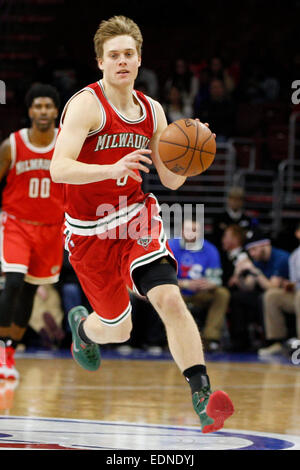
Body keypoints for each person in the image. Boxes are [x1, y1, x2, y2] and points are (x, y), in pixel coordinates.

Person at [50, 15, 234, 433]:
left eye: (128, 54)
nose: (122, 62)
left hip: (135, 218)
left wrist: (193, 150)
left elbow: (169, 180)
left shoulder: (152, 110)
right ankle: (83, 327)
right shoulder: (86, 104)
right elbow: (58, 169)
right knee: (118, 331)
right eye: (113, 55)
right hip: (88, 231)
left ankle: (202, 396)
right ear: (100, 62)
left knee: (169, 298)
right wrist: (110, 168)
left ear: (138, 58)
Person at [0, 83, 64, 379]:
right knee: (12, 282)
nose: (43, 111)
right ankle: (1, 347)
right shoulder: (12, 144)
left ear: (56, 111)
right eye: (37, 106)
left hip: (51, 230)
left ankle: (9, 353)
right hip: (16, 224)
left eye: (48, 106)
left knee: (28, 292)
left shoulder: (67, 144)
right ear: (29, 111)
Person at [169, 218, 230, 352]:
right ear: (181, 231)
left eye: (195, 230)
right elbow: (162, 278)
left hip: (200, 293)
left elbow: (216, 279)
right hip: (177, 293)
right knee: (162, 292)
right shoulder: (169, 246)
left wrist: (210, 284)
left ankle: (210, 338)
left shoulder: (210, 249)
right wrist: (184, 284)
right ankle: (171, 338)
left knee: (222, 293)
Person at [228, 229, 290, 351]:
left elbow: (273, 287)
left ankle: (271, 341)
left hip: (281, 295)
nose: (251, 254)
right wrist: (239, 274)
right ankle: (241, 341)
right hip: (266, 294)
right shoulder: (258, 260)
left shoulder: (281, 258)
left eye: (254, 249)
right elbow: (248, 287)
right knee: (238, 296)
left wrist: (255, 271)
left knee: (265, 297)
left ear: (265, 245)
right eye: (249, 250)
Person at [258, 222, 300, 356]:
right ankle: (277, 341)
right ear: (297, 234)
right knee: (272, 295)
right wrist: (289, 285)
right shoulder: (294, 256)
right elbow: (295, 282)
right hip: (297, 294)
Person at [212, 186, 257, 251]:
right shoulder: (219, 218)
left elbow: (250, 237)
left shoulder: (247, 219)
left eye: (238, 199)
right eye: (233, 199)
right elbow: (216, 239)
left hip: (242, 251)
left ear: (242, 201)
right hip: (223, 253)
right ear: (228, 200)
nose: (235, 202)